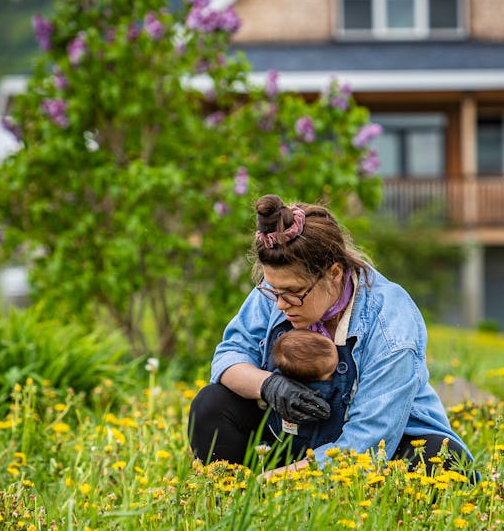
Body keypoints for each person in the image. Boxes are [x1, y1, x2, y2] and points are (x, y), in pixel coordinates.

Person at [188, 193, 474, 476]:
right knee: (210, 405)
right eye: (272, 290)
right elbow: (227, 358)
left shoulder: (390, 321)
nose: (279, 304)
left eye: (294, 293)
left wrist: (276, 481)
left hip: (379, 451)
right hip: (287, 437)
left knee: (443, 460)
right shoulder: (278, 288)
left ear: (334, 273)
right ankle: (228, 497)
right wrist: (269, 385)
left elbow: (369, 442)